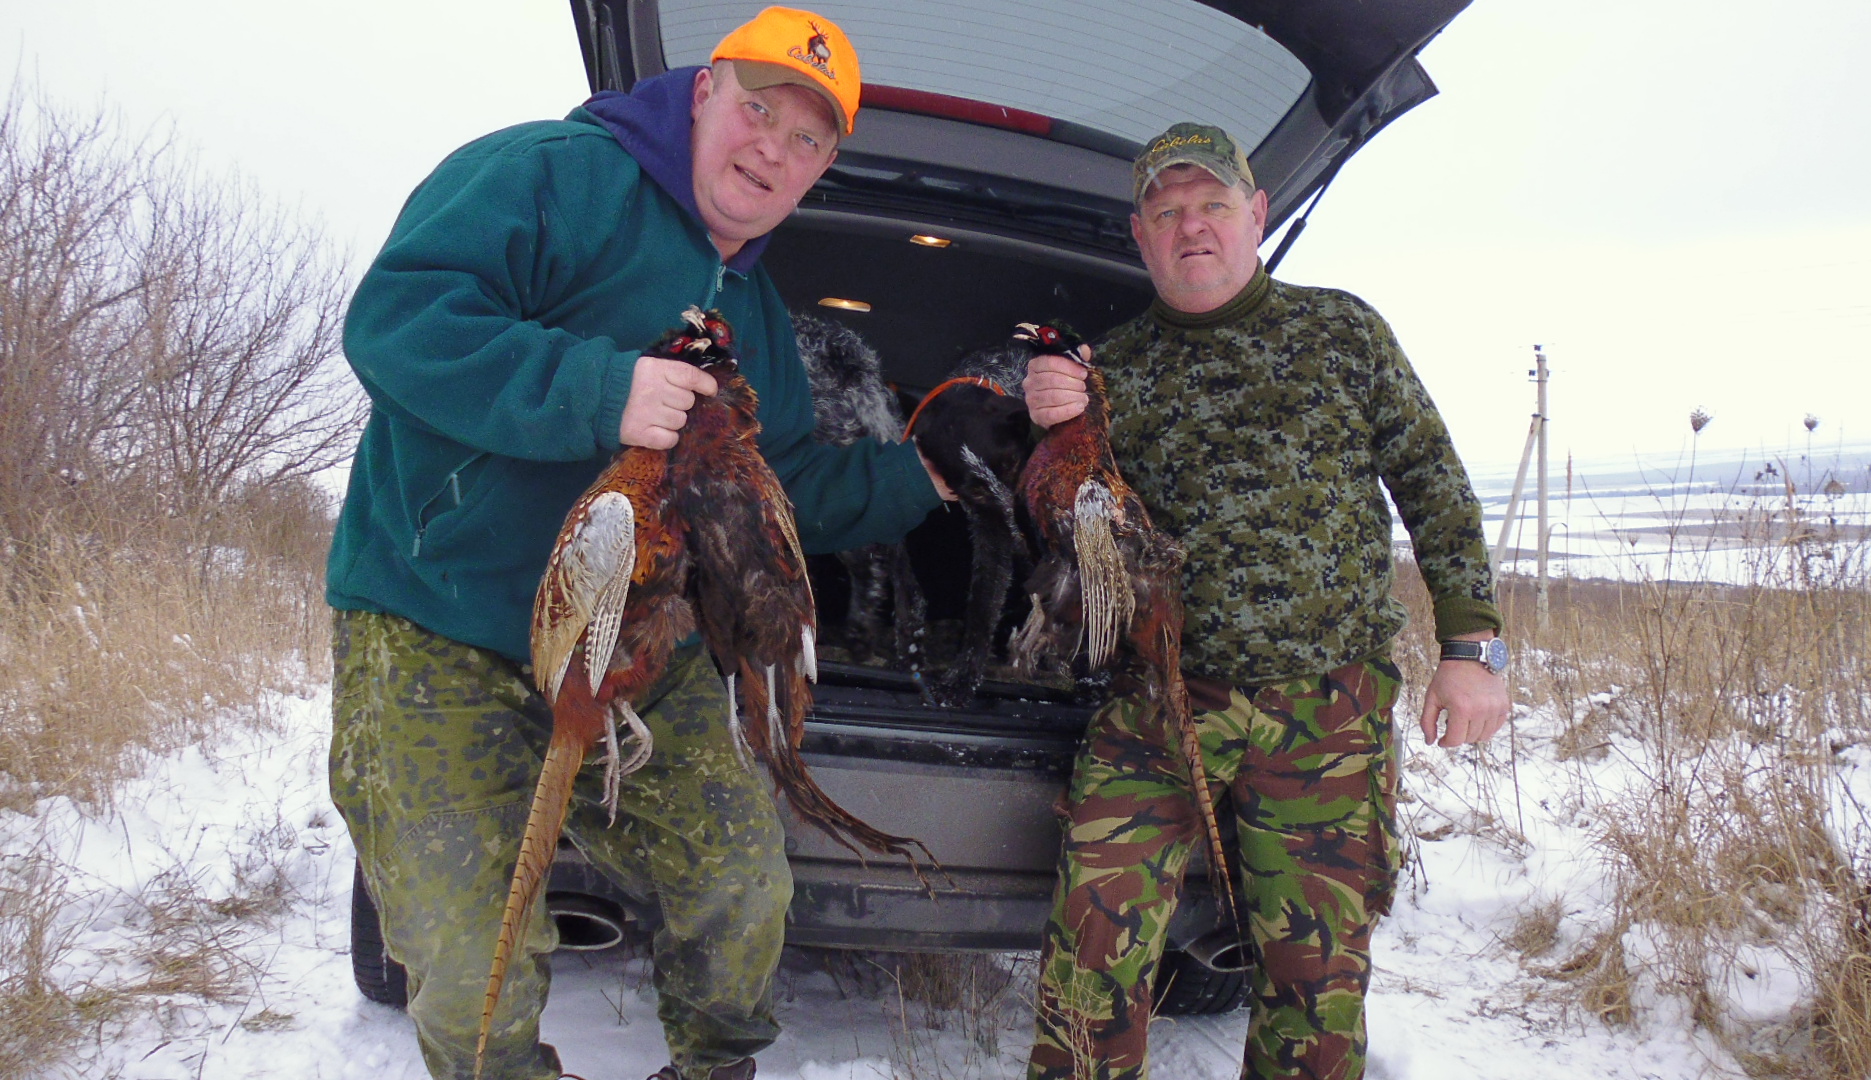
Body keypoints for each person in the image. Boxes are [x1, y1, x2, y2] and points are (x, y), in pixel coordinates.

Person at [325, 9, 952, 1080]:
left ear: (821, 170)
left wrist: (925, 474)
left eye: (807, 139)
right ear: (704, 92)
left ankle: (715, 1065)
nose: (773, 149)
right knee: (470, 961)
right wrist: (599, 390)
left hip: (638, 652)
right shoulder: (551, 176)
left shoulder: (758, 317)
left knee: (743, 885)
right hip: (441, 623)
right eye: (759, 111)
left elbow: (780, 485)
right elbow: (398, 323)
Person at [1020, 122, 1512, 1080]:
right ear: (1140, 234)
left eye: (1211, 205)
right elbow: (1066, 529)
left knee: (1313, 986)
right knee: (1089, 956)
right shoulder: (1111, 371)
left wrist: (1472, 648)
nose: (1191, 227)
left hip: (1325, 709)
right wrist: (1050, 422)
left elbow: (1435, 484)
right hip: (1161, 704)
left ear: (1257, 213)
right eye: (1167, 211)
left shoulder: (1342, 332)